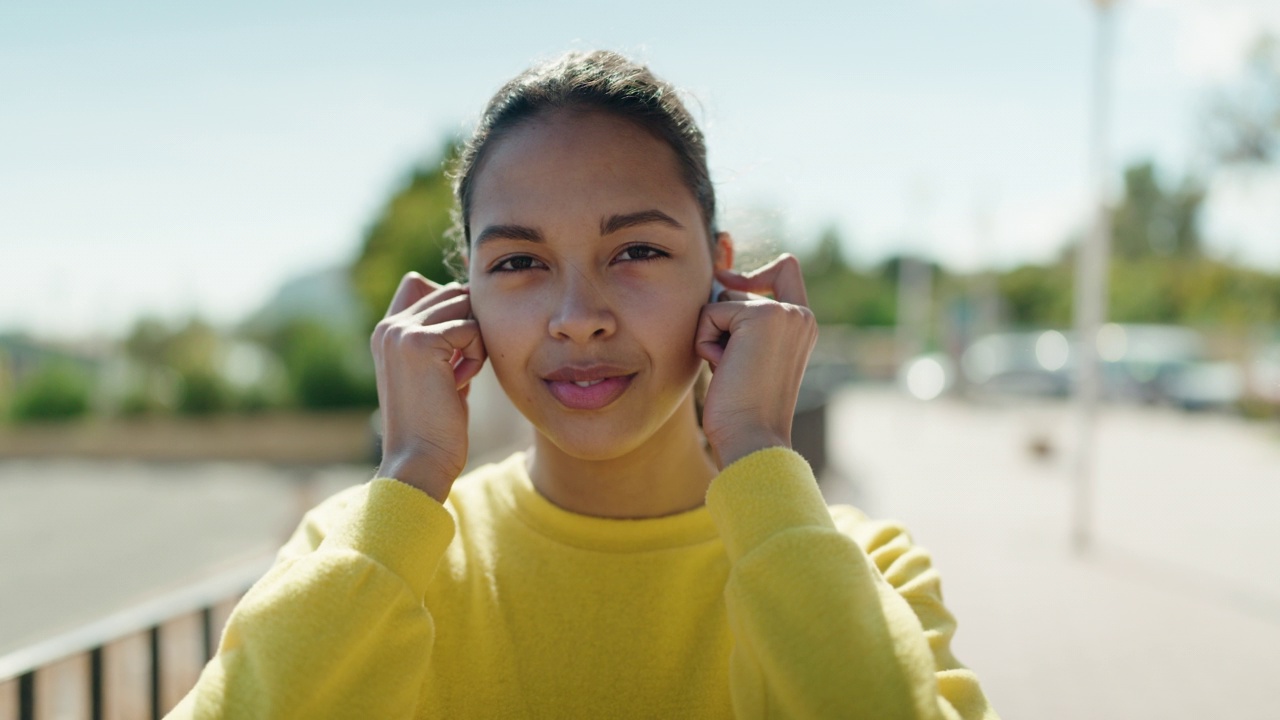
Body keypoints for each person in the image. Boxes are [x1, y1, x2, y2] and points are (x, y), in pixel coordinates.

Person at [170, 50, 997, 719]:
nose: (578, 317)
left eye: (636, 251)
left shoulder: (861, 566)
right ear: (464, 305)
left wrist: (755, 448)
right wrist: (413, 468)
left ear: (722, 274)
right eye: (519, 263)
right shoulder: (361, 553)